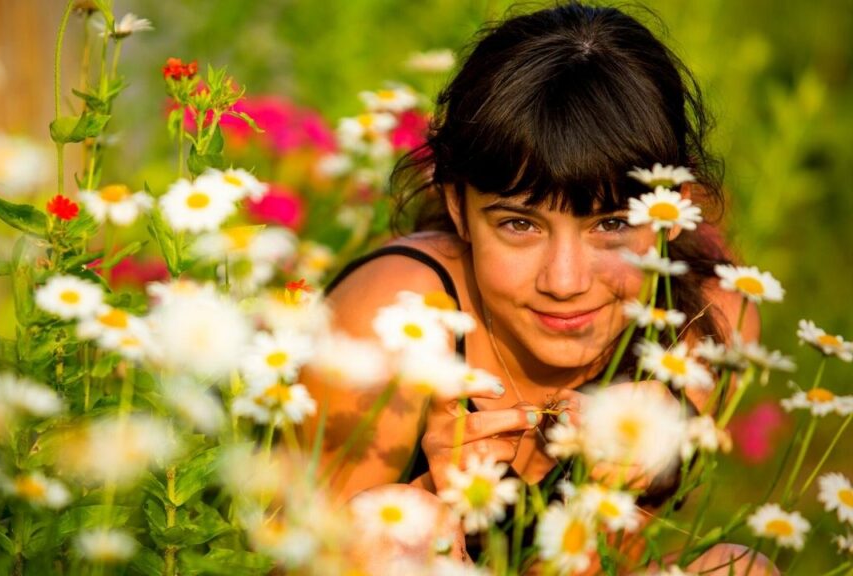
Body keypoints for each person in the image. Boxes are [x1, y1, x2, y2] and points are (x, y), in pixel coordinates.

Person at [303, 3, 778, 574]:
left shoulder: (703, 332)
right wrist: (434, 493)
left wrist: (648, 464)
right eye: (519, 225)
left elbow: (616, 563)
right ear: (458, 206)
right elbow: (279, 561)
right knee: (391, 529)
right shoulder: (391, 325)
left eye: (612, 224)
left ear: (676, 208)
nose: (565, 282)